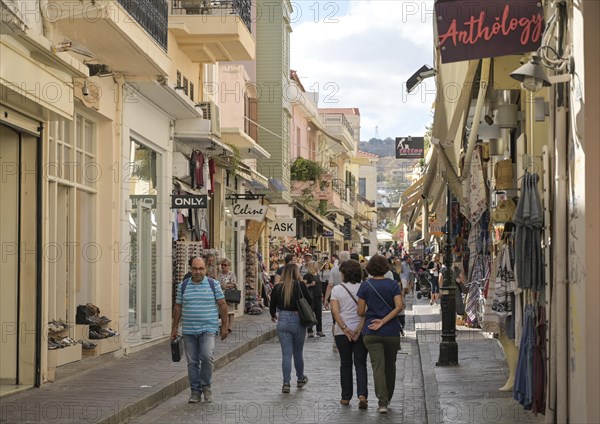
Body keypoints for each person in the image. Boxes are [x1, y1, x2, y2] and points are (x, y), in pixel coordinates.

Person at [171, 257, 229, 404]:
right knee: (192, 363)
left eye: (201, 269)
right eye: (195, 269)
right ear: (190, 269)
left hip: (208, 328)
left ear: (206, 269)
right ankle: (195, 392)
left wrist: (224, 326)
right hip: (189, 330)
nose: (198, 272)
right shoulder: (183, 286)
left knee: (207, 357)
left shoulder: (213, 285)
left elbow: (222, 305)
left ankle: (207, 386)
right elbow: (178, 307)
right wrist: (174, 327)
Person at [357, 255, 404, 414]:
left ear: (370, 268)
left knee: (377, 367)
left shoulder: (365, 286)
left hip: (371, 331)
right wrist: (384, 321)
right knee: (390, 366)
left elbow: (360, 311)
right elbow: (399, 307)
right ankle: (387, 398)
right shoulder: (393, 285)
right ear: (385, 267)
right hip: (391, 331)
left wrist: (375, 316)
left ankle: (382, 402)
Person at [330, 259, 368, 409]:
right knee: (360, 363)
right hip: (361, 331)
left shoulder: (337, 290)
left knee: (345, 364)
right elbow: (366, 312)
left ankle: (346, 397)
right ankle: (362, 394)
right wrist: (358, 329)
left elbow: (335, 312)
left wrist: (345, 329)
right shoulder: (364, 288)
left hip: (341, 332)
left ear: (344, 273)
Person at [269, 263, 311, 394]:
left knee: (286, 354)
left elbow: (272, 305)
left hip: (282, 319)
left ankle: (286, 382)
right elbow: (310, 301)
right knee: (298, 353)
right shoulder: (301, 285)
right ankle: (300, 378)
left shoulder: (277, 287)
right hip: (297, 319)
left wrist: (273, 315)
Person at [303, 261, 324, 338]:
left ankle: (319, 330)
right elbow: (303, 285)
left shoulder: (318, 275)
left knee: (319, 314)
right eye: (316, 265)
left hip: (318, 296)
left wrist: (322, 294)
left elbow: (320, 286)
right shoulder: (307, 276)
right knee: (310, 314)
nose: (318, 266)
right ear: (312, 266)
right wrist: (310, 284)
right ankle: (310, 331)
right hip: (311, 297)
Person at [217, 258, 237, 332]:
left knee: (230, 311)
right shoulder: (219, 274)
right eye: (222, 265)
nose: (223, 266)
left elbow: (234, 284)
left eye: (225, 265)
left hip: (229, 294)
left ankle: (229, 327)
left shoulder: (231, 274)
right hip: (221, 295)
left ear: (229, 266)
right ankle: (224, 325)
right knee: (223, 311)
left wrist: (226, 285)